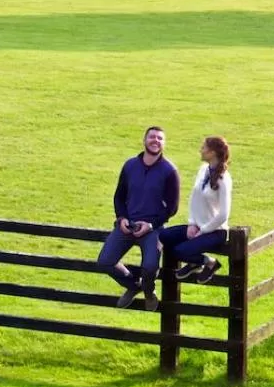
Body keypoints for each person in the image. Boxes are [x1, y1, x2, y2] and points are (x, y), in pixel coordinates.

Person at [97, 126, 181, 309]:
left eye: (160, 138)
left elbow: (172, 208)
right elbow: (119, 196)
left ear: (164, 144)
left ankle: (149, 292)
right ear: (144, 140)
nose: (155, 140)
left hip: (153, 229)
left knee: (150, 267)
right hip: (128, 226)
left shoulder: (169, 171)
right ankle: (133, 286)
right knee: (105, 261)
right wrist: (122, 218)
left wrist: (151, 225)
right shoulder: (130, 166)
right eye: (152, 137)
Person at [159, 136, 232, 285]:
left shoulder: (224, 179)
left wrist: (203, 230)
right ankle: (195, 263)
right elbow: (194, 199)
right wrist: (192, 223)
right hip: (198, 225)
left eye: (204, 148)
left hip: (215, 231)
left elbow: (224, 214)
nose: (201, 150)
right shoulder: (203, 170)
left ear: (212, 153)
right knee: (165, 236)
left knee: (179, 251)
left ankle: (210, 263)